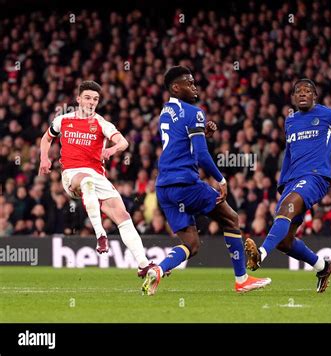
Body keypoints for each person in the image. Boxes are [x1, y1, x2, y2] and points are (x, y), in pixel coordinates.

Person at [142, 66, 271, 295]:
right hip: (186, 183)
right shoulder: (195, 112)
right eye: (189, 83)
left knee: (191, 244)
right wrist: (221, 179)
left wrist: (202, 133)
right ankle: (242, 280)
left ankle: (159, 270)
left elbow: (181, 142)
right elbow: (201, 155)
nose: (194, 87)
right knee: (231, 219)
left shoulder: (165, 111)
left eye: (194, 82)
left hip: (164, 187)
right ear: (175, 87)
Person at [244, 78, 331, 293]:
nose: (302, 93)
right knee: (285, 241)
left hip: (316, 177)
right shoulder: (290, 121)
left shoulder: (330, 115)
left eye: (307, 91)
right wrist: (282, 183)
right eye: (298, 91)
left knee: (286, 208)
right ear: (292, 97)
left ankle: (260, 254)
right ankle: (323, 266)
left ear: (314, 96)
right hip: (293, 180)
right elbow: (289, 154)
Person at [39, 80, 155, 281]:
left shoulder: (101, 123)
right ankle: (101, 234)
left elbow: (123, 142)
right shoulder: (63, 120)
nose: (91, 102)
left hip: (97, 176)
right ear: (78, 99)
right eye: (87, 98)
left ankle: (143, 265)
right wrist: (44, 157)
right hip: (72, 175)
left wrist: (111, 149)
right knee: (85, 181)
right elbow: (46, 138)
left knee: (123, 215)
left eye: (95, 99)